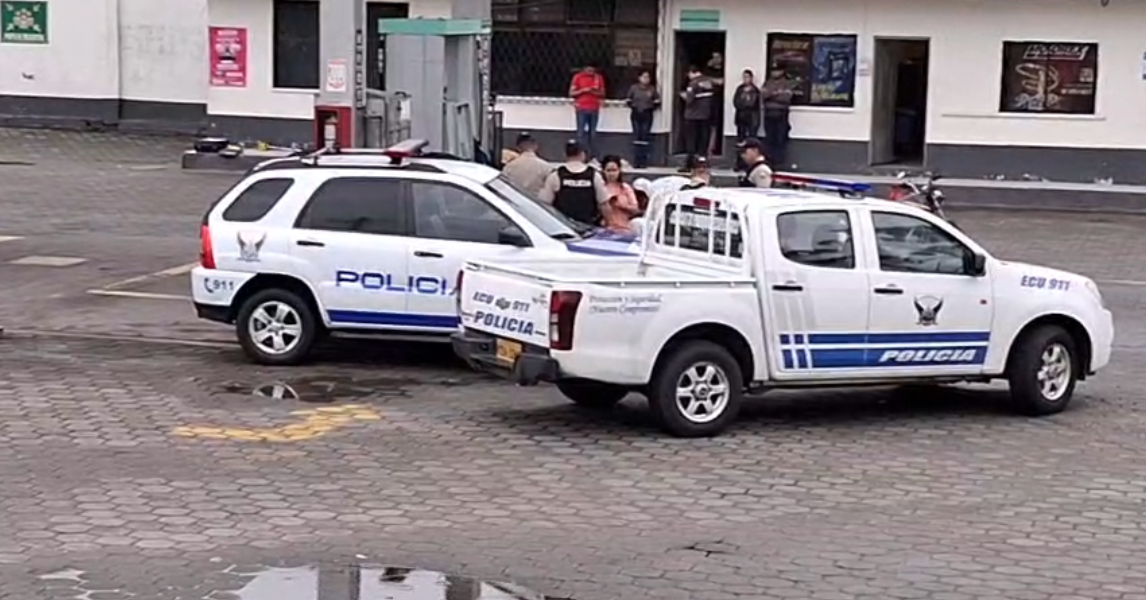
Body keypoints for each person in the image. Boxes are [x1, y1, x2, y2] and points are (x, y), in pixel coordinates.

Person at [538, 140, 608, 226]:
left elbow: (545, 204)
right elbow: (604, 204)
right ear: (583, 154)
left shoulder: (555, 175)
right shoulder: (594, 176)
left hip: (564, 227)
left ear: (565, 154)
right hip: (589, 227)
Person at [680, 66, 716, 171]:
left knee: (691, 141)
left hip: (692, 116)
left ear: (692, 73)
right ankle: (702, 162)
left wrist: (683, 95)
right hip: (706, 115)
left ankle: (689, 164)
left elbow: (689, 99)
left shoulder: (693, 83)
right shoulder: (708, 83)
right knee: (703, 140)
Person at [625, 71, 660, 169]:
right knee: (637, 137)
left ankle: (644, 161)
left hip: (647, 114)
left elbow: (657, 101)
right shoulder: (634, 88)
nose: (646, 79)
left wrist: (649, 108)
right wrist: (635, 107)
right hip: (636, 114)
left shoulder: (652, 89)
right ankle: (636, 161)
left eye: (648, 77)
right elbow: (628, 100)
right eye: (644, 77)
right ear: (639, 78)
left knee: (645, 137)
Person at [569, 65, 605, 158]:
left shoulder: (598, 78)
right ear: (584, 69)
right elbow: (571, 93)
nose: (591, 72)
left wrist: (593, 92)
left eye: (592, 70)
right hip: (581, 108)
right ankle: (580, 155)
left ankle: (592, 156)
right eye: (589, 70)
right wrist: (583, 90)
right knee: (580, 133)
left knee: (593, 134)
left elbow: (602, 93)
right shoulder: (578, 77)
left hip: (594, 108)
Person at [500, 132, 551, 198]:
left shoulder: (509, 167)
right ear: (535, 146)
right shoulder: (546, 167)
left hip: (515, 202)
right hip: (536, 204)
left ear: (518, 148)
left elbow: (503, 187)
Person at [761, 68, 794, 169]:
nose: (774, 72)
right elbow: (763, 95)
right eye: (773, 70)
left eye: (777, 70)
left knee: (780, 139)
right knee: (769, 139)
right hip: (769, 115)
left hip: (781, 115)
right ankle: (770, 162)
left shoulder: (786, 83)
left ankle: (779, 163)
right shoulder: (767, 83)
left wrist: (772, 94)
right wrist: (777, 93)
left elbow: (786, 97)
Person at [599, 155, 641, 232]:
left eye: (614, 170)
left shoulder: (625, 188)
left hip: (624, 228)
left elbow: (636, 209)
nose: (611, 174)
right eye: (608, 170)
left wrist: (622, 206)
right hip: (605, 229)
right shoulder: (600, 187)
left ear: (619, 170)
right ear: (603, 171)